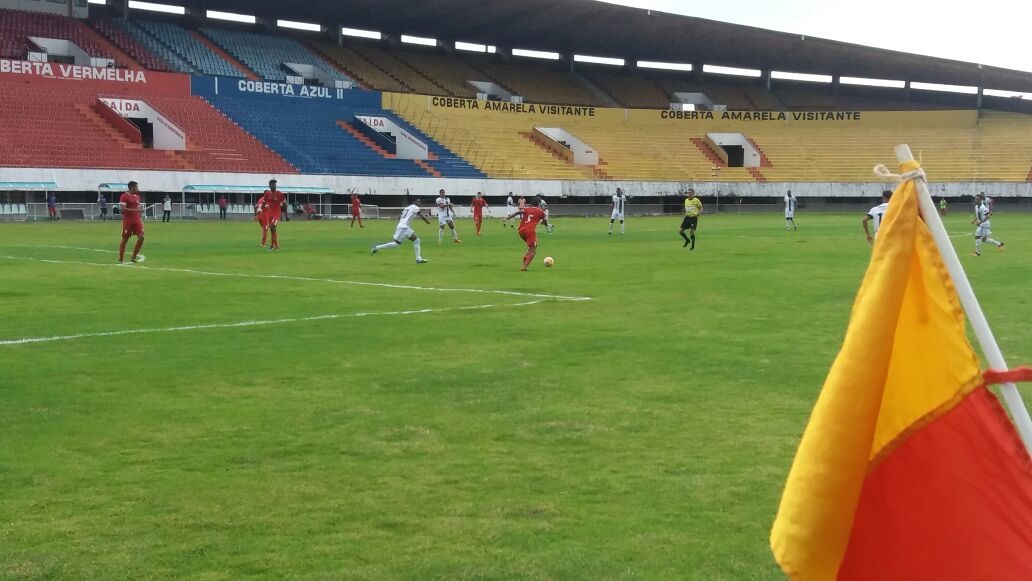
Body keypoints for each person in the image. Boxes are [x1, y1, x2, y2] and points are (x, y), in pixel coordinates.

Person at [371, 197, 431, 264]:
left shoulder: (407, 208)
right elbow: (420, 215)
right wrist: (427, 221)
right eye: (418, 201)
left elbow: (399, 217)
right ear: (414, 202)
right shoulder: (415, 207)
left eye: (420, 202)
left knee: (417, 240)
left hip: (404, 227)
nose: (419, 203)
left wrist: (400, 224)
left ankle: (418, 259)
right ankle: (376, 247)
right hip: (403, 227)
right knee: (396, 244)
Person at [506, 196, 550, 271]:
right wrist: (545, 224)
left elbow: (518, 212)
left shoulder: (526, 209)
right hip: (530, 231)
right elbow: (545, 221)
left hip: (521, 231)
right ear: (539, 204)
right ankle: (524, 266)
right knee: (533, 251)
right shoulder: (540, 212)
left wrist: (507, 218)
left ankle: (526, 257)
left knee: (532, 247)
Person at [118, 181, 145, 263]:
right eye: (136, 187)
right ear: (132, 187)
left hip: (137, 221)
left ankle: (133, 257)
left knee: (141, 237)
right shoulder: (124, 196)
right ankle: (121, 258)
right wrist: (137, 210)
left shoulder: (137, 197)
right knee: (125, 239)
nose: (138, 189)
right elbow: (123, 210)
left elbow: (138, 208)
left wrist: (140, 213)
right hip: (128, 221)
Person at [262, 179, 286, 251]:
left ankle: (275, 246)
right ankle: (274, 245)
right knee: (272, 229)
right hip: (270, 214)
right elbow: (264, 203)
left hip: (277, 213)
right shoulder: (267, 194)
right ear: (269, 186)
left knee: (272, 227)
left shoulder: (280, 194)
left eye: (275, 185)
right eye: (273, 185)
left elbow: (284, 203)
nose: (274, 186)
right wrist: (262, 210)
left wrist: (285, 214)